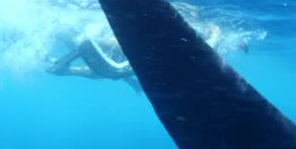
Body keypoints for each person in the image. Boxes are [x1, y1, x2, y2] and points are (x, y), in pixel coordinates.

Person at [47, 24, 227, 90]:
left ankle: (60, 67)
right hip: (129, 50)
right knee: (103, 61)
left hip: (137, 59)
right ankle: (60, 62)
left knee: (103, 72)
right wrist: (216, 32)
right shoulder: (117, 44)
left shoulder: (178, 64)